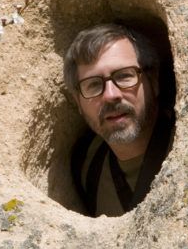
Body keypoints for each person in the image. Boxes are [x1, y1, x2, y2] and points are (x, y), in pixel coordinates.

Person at [65, 23, 173, 217]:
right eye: (93, 85)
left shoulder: (185, 146)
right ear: (78, 103)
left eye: (124, 76)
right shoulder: (86, 164)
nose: (110, 95)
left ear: (153, 81)